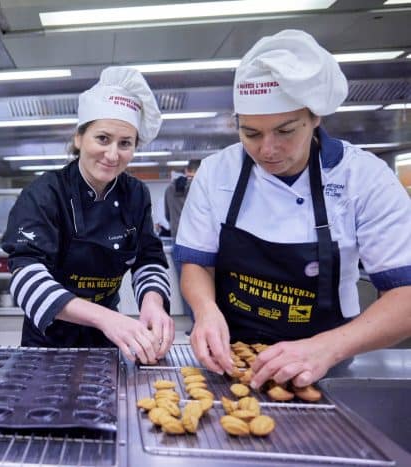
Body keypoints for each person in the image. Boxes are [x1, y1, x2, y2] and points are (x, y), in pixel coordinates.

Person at [175, 30, 411, 389]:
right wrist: (205, 310)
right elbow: (198, 263)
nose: (268, 149)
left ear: (315, 117)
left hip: (325, 363)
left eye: (285, 131)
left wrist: (327, 349)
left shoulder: (363, 178)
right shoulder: (216, 172)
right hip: (229, 358)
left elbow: (405, 295)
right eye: (251, 133)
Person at [2, 67, 173, 364]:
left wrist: (153, 303)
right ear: (79, 138)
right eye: (103, 139)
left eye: (125, 143)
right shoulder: (45, 194)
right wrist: (106, 318)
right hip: (48, 338)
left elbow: (148, 259)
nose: (112, 154)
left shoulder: (135, 194)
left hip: (107, 339)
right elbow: (25, 278)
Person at [164, 159, 200, 333]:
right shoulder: (202, 185)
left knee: (186, 284)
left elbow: (166, 215)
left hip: (179, 240)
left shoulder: (170, 189)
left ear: (187, 169)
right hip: (202, 242)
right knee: (206, 283)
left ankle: (195, 324)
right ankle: (207, 323)